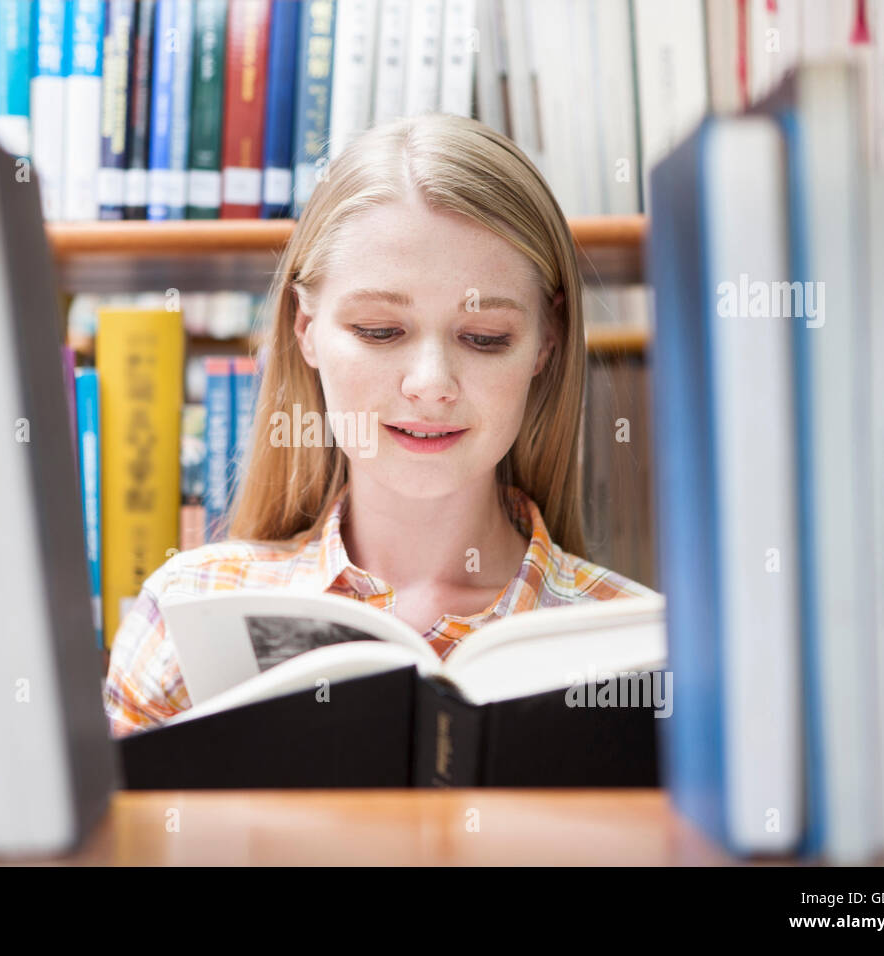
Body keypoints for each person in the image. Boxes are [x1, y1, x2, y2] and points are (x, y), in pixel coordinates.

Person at [104, 112, 655, 738]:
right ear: (305, 329)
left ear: (545, 345)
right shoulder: (187, 614)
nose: (430, 383)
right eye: (379, 331)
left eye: (484, 337)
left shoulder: (641, 650)